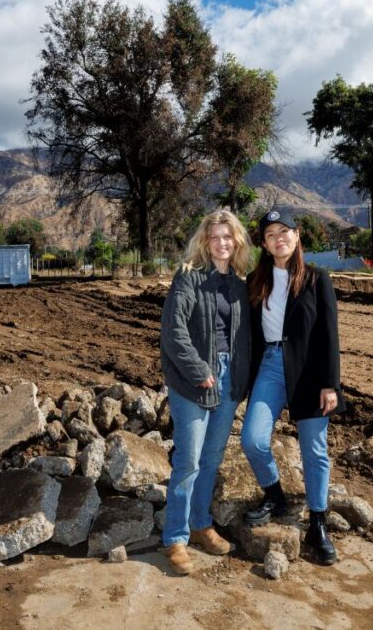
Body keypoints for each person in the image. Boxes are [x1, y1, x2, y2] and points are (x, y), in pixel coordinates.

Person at [241, 210, 343, 565]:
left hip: (309, 372)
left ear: (297, 237)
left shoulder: (317, 279)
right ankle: (275, 495)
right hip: (270, 367)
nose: (278, 238)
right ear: (265, 245)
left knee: (314, 450)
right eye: (270, 234)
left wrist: (330, 383)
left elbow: (329, 334)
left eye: (284, 231)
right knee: (252, 439)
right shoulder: (256, 280)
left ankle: (318, 522)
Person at [159, 209, 253, 575]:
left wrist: (240, 378)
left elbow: (245, 337)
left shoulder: (241, 284)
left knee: (211, 459)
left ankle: (201, 525)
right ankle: (175, 538)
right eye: (215, 237)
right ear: (204, 240)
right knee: (188, 461)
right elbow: (173, 331)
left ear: (237, 241)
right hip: (192, 379)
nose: (222, 243)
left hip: (228, 381)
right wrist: (199, 370)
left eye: (228, 237)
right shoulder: (188, 278)